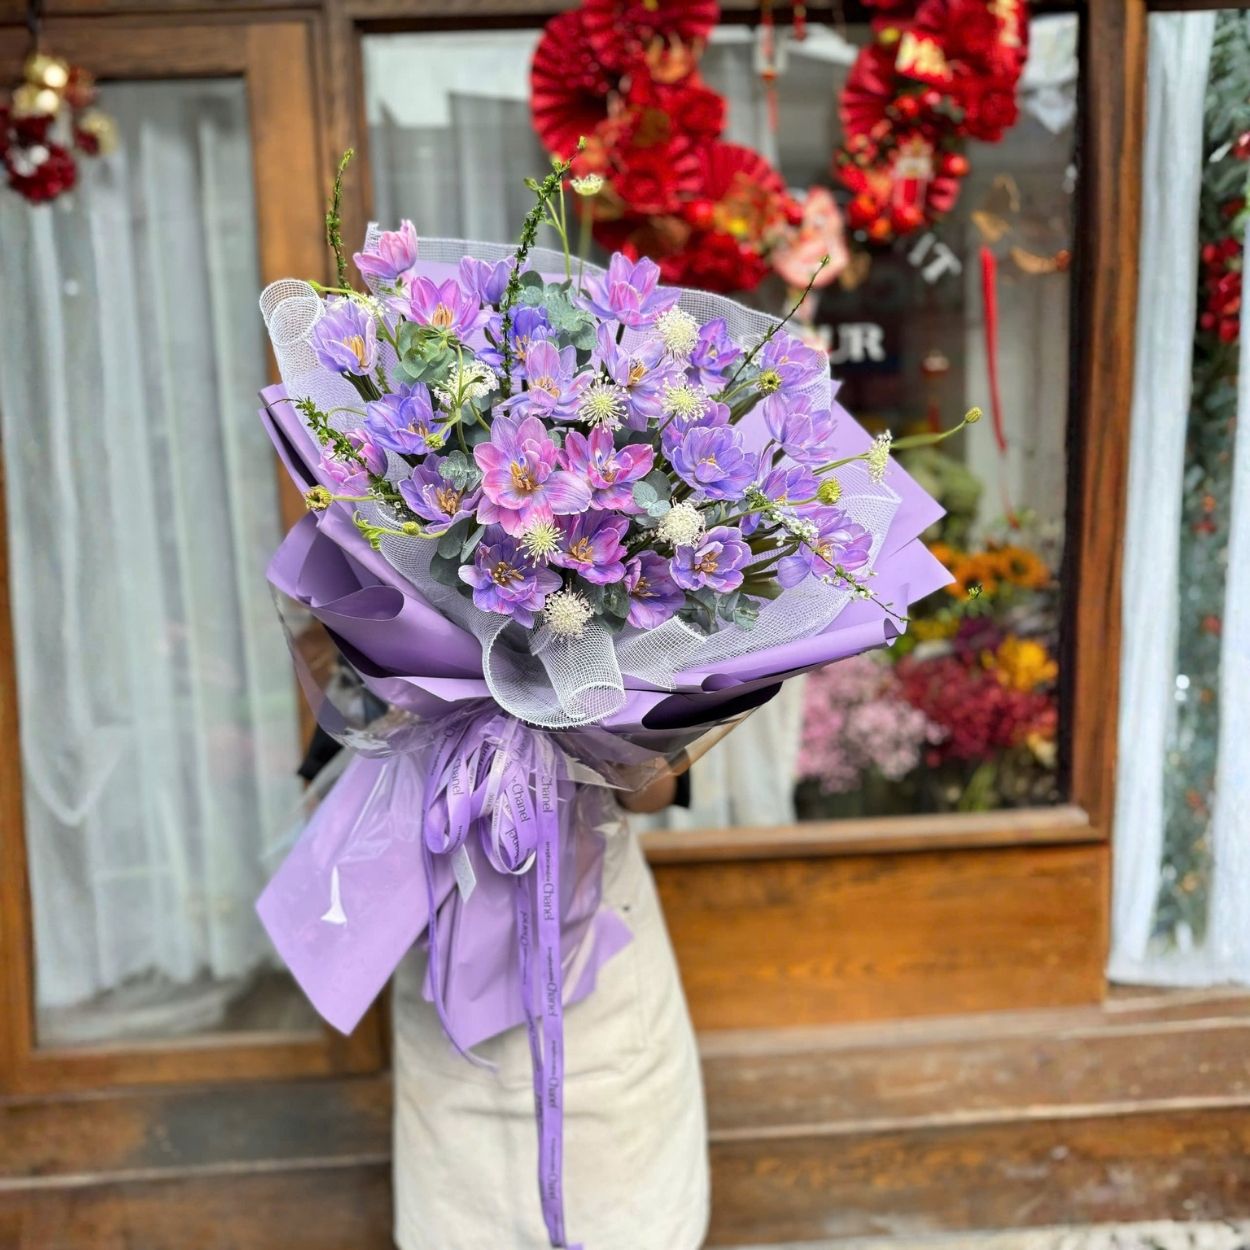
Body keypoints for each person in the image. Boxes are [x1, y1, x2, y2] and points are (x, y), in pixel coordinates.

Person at [390, 767, 709, 1250]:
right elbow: (341, 774)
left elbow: (659, 788)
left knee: (618, 1214)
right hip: (441, 963)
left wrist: (603, 740)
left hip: (595, 973)